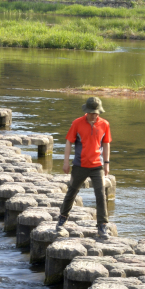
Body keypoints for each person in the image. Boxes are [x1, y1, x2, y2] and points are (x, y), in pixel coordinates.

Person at [55, 96, 112, 240]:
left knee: (100, 195)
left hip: (97, 166)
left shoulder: (104, 124)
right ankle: (63, 217)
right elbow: (69, 142)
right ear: (86, 111)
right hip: (79, 165)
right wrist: (66, 162)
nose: (94, 115)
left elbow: (106, 144)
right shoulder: (77, 123)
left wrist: (107, 163)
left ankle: (102, 226)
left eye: (96, 113)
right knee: (72, 192)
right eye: (92, 113)